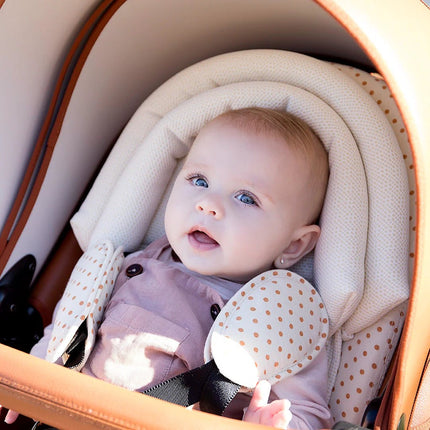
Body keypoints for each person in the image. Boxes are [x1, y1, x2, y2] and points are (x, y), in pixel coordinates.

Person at [3, 107, 331, 429]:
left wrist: (264, 424)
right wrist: (34, 376)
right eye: (199, 180)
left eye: (246, 198)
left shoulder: (280, 322)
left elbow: (308, 414)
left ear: (294, 246)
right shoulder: (130, 265)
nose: (207, 204)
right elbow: (68, 329)